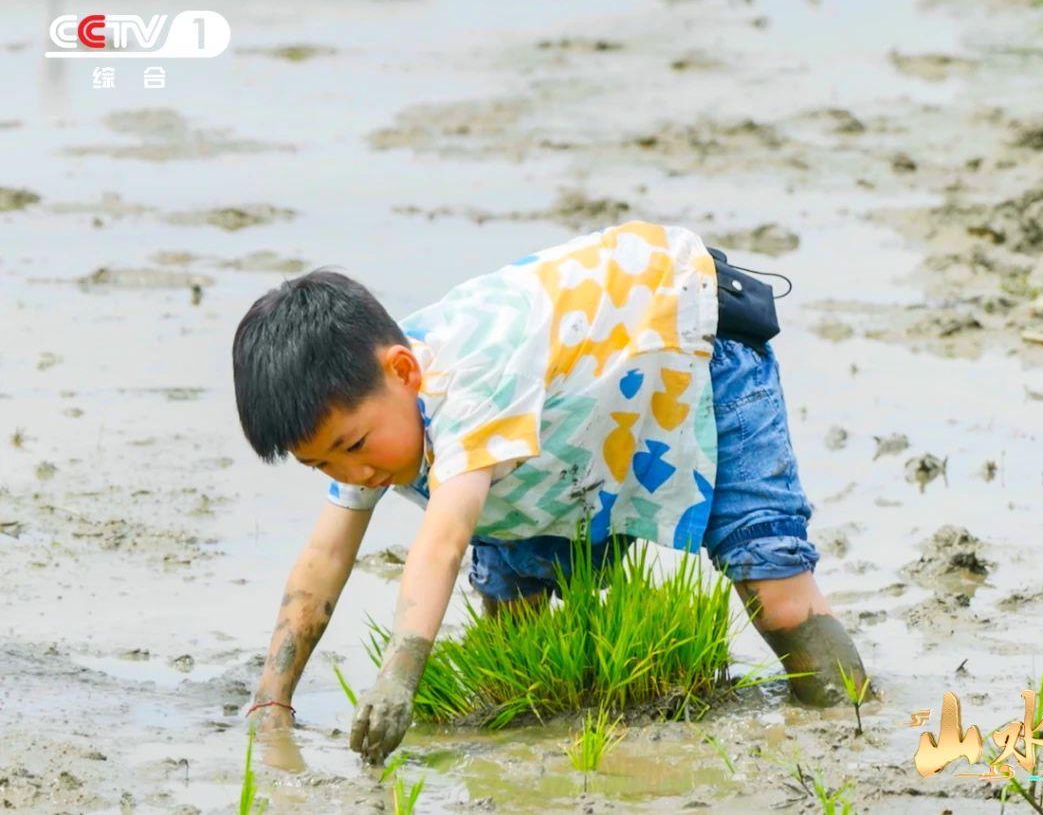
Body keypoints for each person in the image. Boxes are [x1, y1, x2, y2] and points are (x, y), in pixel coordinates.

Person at [232, 221, 866, 763]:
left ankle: (852, 723)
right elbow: (325, 557)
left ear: (404, 371)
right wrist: (272, 699)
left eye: (352, 447)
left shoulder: (472, 380)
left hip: (690, 351)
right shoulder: (366, 410)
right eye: (321, 465)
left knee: (770, 577)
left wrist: (399, 679)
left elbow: (441, 544)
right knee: (516, 626)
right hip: (574, 422)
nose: (351, 473)